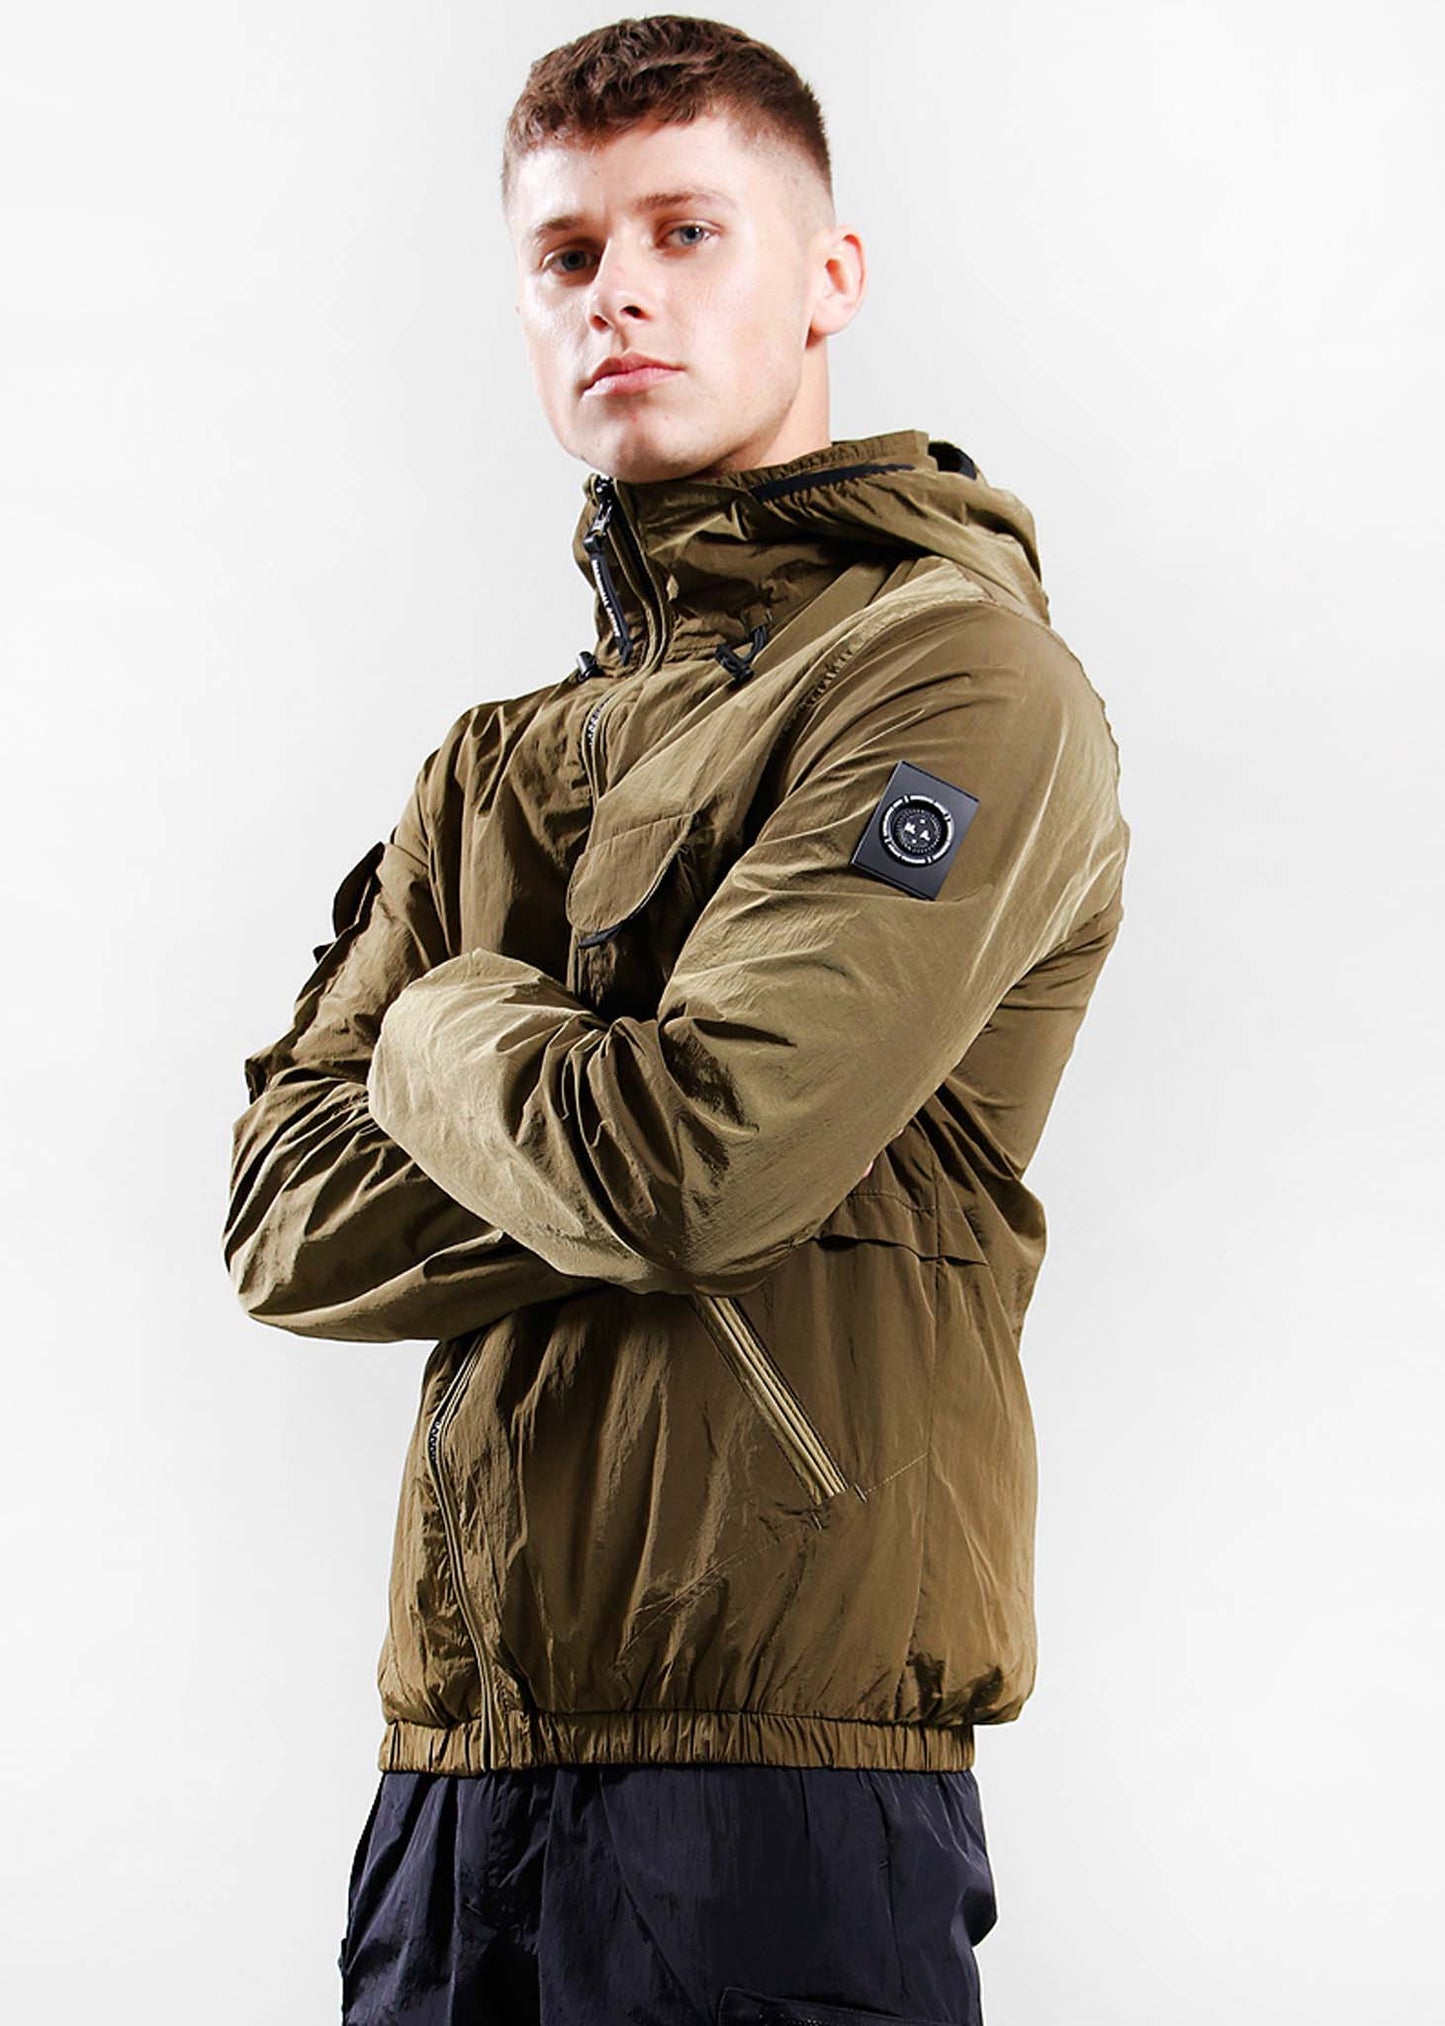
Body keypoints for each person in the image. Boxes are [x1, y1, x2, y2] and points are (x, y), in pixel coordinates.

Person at [224, 14, 1130, 2023]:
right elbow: (277, 1221)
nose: (616, 289)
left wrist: (441, 1020)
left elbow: (694, 1166)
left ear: (828, 275)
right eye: (565, 253)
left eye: (686, 229)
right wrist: (593, 1082)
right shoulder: (488, 763)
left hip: (778, 1785)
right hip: (451, 1769)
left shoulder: (954, 681)